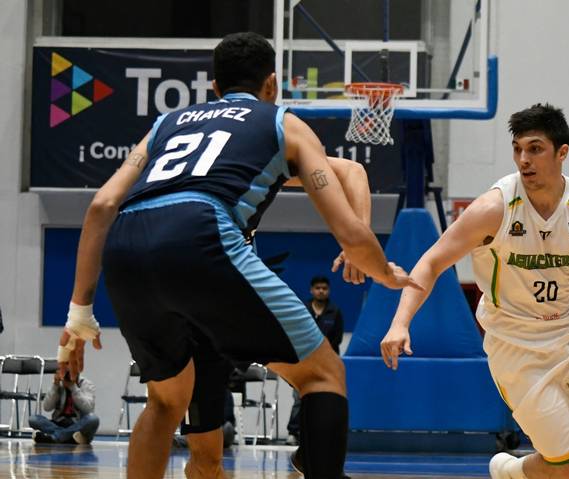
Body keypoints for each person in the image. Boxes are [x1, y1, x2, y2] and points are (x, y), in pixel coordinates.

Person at [55, 31, 421, 479]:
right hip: (202, 239)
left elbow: (101, 207)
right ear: (272, 84)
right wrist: (381, 271)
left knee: (166, 402)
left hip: (128, 243)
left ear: (214, 87)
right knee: (323, 374)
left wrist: (78, 313)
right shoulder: (280, 122)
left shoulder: (167, 124)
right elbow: (348, 227)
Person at [380, 103, 569, 479]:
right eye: (518, 149)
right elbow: (430, 263)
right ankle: (512, 471)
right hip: (518, 344)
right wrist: (400, 323)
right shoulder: (493, 209)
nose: (524, 159)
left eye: (535, 148)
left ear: (562, 152)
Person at [287, 275, 345, 445]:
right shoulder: (302, 309)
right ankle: (294, 432)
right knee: (299, 398)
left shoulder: (335, 312)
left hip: (326, 363)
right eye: (318, 288)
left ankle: (319, 434)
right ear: (311, 290)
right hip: (303, 361)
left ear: (329, 290)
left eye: (324, 288)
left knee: (324, 400)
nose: (321, 291)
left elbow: (337, 339)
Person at [29, 370, 100, 445]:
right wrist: (55, 386)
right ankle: (70, 438)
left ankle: (54, 437)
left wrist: (73, 388)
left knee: (93, 419)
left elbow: (88, 409)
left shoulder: (86, 384)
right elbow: (47, 407)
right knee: (33, 419)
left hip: (78, 424)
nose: (68, 376)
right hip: (58, 423)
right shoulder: (58, 384)